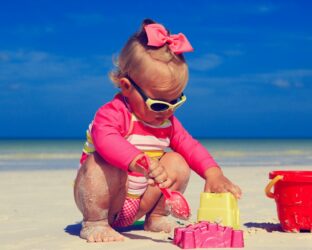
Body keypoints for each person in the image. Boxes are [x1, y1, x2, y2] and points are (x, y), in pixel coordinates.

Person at [73, 18, 242, 243]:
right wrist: (138, 160)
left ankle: (156, 216)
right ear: (126, 86)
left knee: (178, 161)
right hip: (107, 200)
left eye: (176, 102)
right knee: (98, 162)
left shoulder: (166, 122)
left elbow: (190, 146)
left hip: (141, 202)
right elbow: (106, 139)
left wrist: (213, 173)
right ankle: (94, 223)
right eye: (160, 104)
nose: (167, 111)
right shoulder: (113, 113)